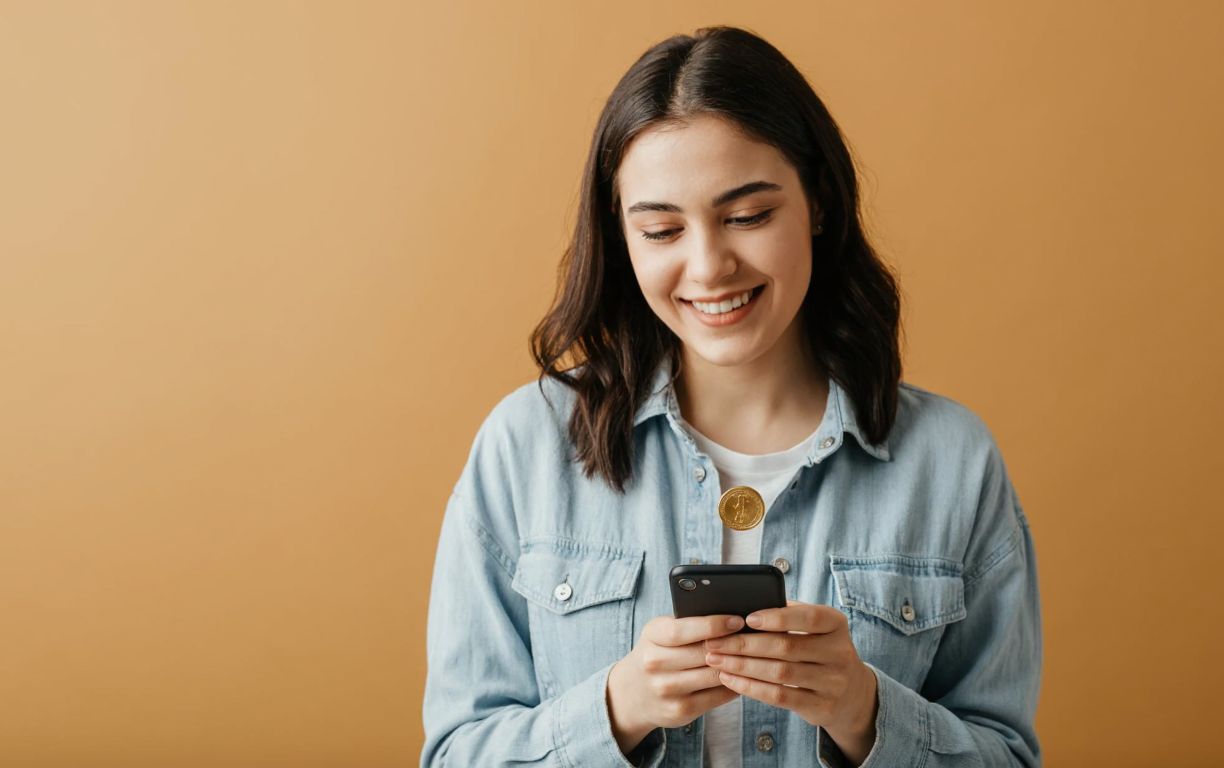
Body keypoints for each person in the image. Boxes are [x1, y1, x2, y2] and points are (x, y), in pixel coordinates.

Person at [420, 25, 1042, 768]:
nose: (709, 266)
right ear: (621, 238)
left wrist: (866, 713)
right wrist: (615, 710)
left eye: (748, 216)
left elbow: (1007, 756)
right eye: (660, 229)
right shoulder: (525, 447)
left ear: (818, 202)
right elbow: (455, 754)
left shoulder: (952, 462)